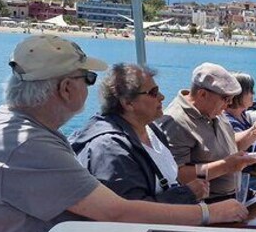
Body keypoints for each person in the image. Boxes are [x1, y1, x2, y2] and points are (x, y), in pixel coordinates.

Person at [0, 36, 248, 232]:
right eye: (88, 78)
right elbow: (116, 212)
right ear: (67, 88)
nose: (90, 87)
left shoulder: (18, 127)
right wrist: (209, 213)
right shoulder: (25, 144)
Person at [70, 63, 208, 204]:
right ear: (128, 103)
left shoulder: (152, 130)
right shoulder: (110, 150)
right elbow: (129, 214)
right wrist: (187, 194)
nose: (162, 97)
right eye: (153, 92)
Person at [157, 63, 256, 200]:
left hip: (235, 195)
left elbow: (225, 147)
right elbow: (178, 175)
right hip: (210, 203)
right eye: (225, 99)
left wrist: (254, 133)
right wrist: (225, 166)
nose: (228, 104)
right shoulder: (176, 122)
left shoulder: (213, 110)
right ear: (203, 94)